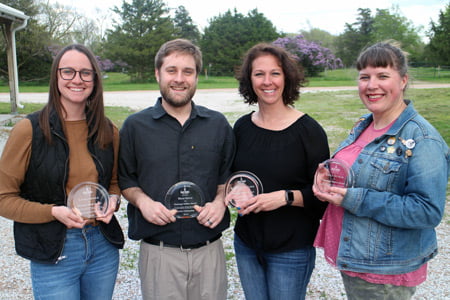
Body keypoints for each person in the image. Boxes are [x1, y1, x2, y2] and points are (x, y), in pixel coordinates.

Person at [313, 41, 450, 300]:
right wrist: (330, 177)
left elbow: (426, 211)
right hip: (357, 256)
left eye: (382, 76)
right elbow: (362, 174)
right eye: (364, 77)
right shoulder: (364, 125)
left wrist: (353, 198)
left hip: (384, 270)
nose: (371, 85)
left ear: (403, 81)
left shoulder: (422, 139)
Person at [0, 44, 124, 299]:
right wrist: (52, 212)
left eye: (85, 73)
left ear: (94, 80)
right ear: (56, 77)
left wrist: (113, 200)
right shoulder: (29, 130)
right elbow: (3, 199)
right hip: (55, 250)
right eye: (68, 72)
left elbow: (114, 182)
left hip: (102, 246)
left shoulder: (107, 130)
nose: (77, 79)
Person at [118, 38, 235, 300]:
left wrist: (220, 202)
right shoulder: (135, 127)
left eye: (188, 71)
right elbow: (126, 178)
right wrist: (143, 202)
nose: (179, 79)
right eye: (172, 70)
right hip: (159, 254)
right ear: (158, 73)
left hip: (209, 251)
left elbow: (226, 176)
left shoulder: (217, 124)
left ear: (197, 76)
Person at [226, 43, 330, 300]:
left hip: (291, 249)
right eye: (259, 74)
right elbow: (232, 177)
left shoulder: (309, 132)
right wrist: (235, 188)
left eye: (275, 73)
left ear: (287, 78)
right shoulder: (241, 127)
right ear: (249, 80)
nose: (267, 81)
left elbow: (323, 198)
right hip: (247, 243)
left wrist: (284, 197)